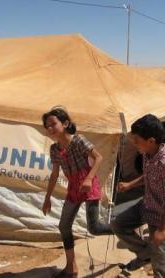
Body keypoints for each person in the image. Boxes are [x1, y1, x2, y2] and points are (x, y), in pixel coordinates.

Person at [41, 107, 112, 278]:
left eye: (53, 124)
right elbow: (55, 174)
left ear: (65, 124)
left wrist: (88, 179)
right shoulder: (54, 150)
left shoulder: (79, 140)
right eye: (47, 126)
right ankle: (71, 267)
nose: (49, 129)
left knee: (94, 227)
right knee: (64, 226)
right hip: (73, 188)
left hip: (88, 185)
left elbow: (99, 157)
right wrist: (47, 198)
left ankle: (122, 228)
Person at [111, 114, 165, 278]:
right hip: (148, 204)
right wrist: (130, 184)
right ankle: (145, 253)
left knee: (159, 262)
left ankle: (154, 260)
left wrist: (162, 230)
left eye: (137, 140)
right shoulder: (147, 154)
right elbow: (148, 176)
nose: (134, 143)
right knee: (118, 224)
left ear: (151, 140)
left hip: (164, 215)